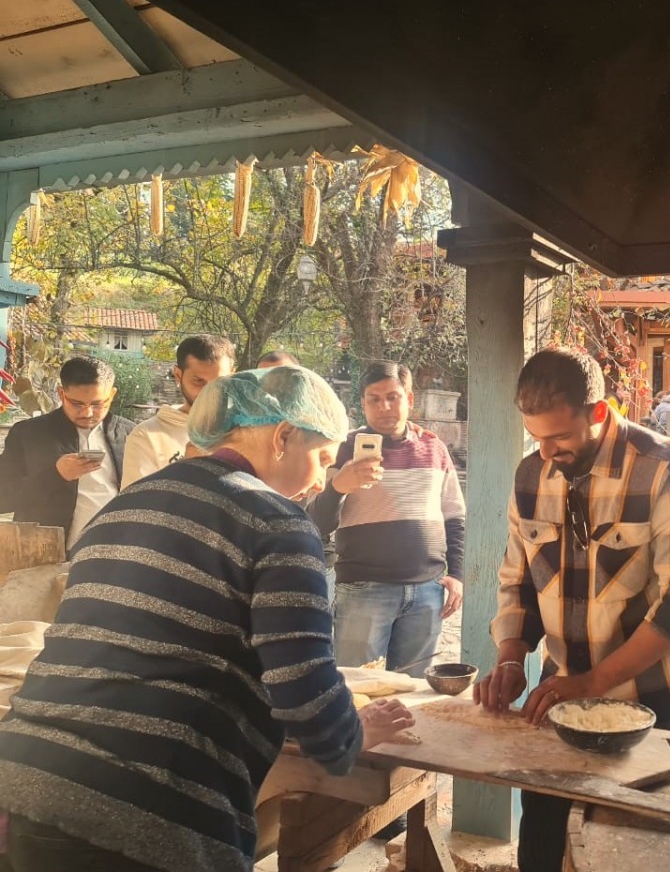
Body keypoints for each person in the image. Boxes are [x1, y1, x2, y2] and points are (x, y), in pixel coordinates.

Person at [0, 366, 415, 871]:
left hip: (26, 783)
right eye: (323, 459)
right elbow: (303, 687)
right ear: (284, 437)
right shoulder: (276, 521)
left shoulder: (125, 505)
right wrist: (350, 734)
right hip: (149, 808)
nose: (318, 481)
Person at [473, 347, 670, 872]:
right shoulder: (530, 476)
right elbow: (518, 580)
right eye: (536, 437)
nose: (547, 452)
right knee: (542, 851)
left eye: (560, 437)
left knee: (639, 855)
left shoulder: (666, 469)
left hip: (656, 704)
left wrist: (593, 682)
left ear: (600, 412)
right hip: (560, 704)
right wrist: (511, 657)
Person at [312, 361, 466, 674]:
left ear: (409, 399)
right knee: (357, 686)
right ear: (363, 403)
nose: (384, 407)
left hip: (427, 590)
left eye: (393, 397)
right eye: (374, 399)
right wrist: (339, 486)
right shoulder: (342, 449)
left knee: (414, 690)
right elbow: (317, 523)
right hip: (363, 590)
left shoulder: (434, 447)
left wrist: (458, 575)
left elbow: (454, 515)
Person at [0, 356, 133, 550]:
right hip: (46, 554)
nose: (87, 413)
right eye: (77, 404)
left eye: (98, 404)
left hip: (116, 553)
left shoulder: (130, 435)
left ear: (112, 395)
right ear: (61, 394)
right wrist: (56, 475)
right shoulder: (29, 434)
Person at [121, 334, 236, 488]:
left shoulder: (246, 430)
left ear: (232, 375)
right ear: (178, 374)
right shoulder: (146, 436)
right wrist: (187, 469)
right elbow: (136, 501)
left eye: (219, 381)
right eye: (199, 381)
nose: (209, 391)